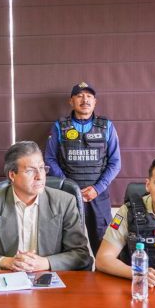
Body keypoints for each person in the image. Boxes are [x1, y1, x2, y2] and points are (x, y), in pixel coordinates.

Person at [0, 141, 92, 271]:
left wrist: (45, 263)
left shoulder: (65, 202)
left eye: (42, 168)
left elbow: (80, 254)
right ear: (12, 175)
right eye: (30, 171)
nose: (39, 176)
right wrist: (7, 262)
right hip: (8, 276)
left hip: (50, 277)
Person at [45, 82, 121, 255]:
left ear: (95, 102)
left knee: (103, 246)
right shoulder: (59, 126)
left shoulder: (107, 126)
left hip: (97, 195)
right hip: (68, 196)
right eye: (79, 96)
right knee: (66, 244)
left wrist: (97, 188)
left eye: (89, 96)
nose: (84, 100)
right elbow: (49, 159)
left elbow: (115, 163)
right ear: (71, 101)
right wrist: (69, 186)